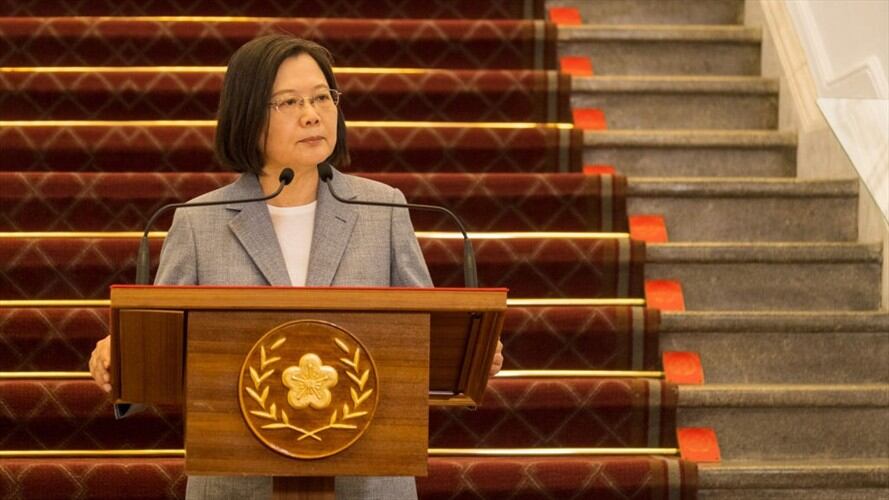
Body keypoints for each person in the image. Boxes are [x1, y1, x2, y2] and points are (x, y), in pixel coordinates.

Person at [88, 34, 503, 499]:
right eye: (288, 102)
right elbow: (157, 354)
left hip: (365, 483)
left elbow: (429, 339)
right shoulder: (199, 221)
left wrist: (471, 356)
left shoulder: (382, 209)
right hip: (239, 485)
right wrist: (121, 355)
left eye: (322, 97)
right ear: (248, 115)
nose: (313, 114)